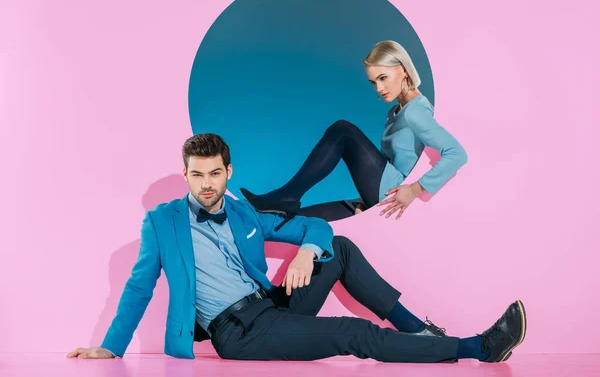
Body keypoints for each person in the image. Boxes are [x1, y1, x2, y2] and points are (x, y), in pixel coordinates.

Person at [67, 133, 525, 363]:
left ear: (228, 172)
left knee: (337, 245)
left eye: (214, 174)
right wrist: (111, 348)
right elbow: (139, 287)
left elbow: (311, 227)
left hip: (270, 307)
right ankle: (478, 348)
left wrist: (307, 251)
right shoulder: (161, 222)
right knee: (351, 332)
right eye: (196, 175)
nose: (206, 185)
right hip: (238, 332)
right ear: (185, 173)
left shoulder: (243, 213)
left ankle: (420, 331)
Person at [240, 40, 468, 224]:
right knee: (298, 220)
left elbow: (456, 153)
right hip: (380, 197)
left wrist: (415, 189)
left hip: (393, 194)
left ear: (403, 71)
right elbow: (385, 164)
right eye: (373, 82)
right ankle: (271, 215)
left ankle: (287, 196)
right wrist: (365, 200)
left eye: (383, 78)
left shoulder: (415, 112)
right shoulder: (396, 113)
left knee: (343, 130)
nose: (379, 88)